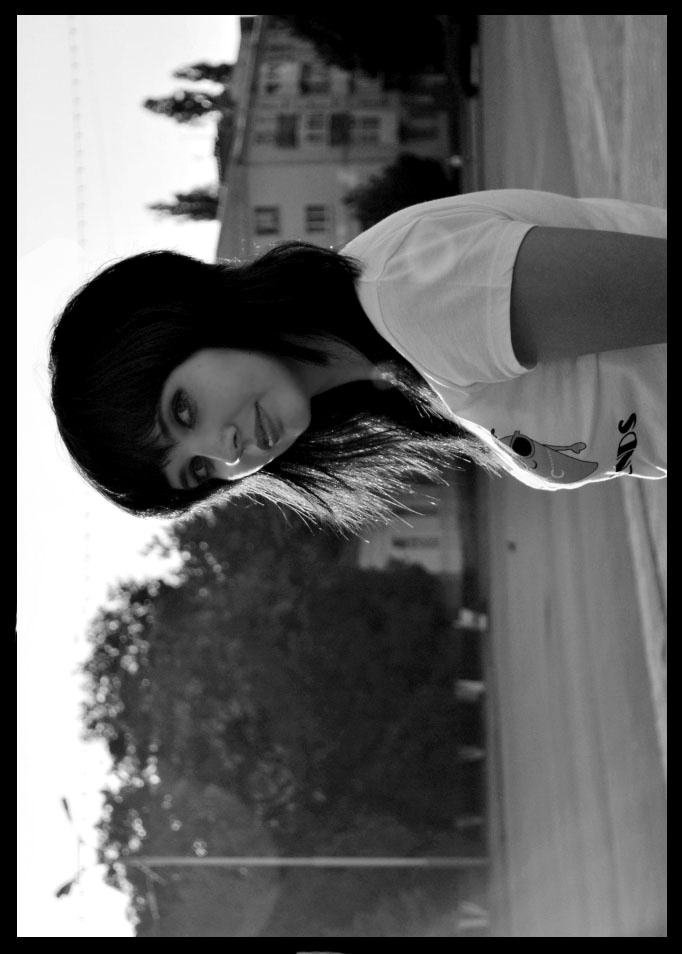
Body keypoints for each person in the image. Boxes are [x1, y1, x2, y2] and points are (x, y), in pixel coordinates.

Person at [49, 189, 666, 533]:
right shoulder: (395, 372)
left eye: (183, 411)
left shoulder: (411, 295)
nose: (228, 452)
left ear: (185, 321)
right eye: (199, 469)